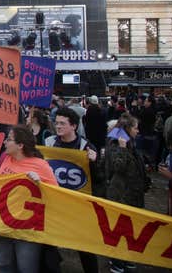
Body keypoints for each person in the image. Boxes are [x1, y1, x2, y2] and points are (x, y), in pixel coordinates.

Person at [0, 126, 58, 273]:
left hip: (27, 227)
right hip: (2, 223)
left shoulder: (41, 165)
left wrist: (40, 182)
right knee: (4, 265)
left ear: (20, 145)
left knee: (26, 268)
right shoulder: (5, 158)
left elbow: (57, 194)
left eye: (9, 139)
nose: (4, 142)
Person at [44, 107, 99, 273]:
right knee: (48, 242)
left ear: (74, 126)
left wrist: (95, 162)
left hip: (78, 205)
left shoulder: (86, 147)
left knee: (84, 245)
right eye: (56, 123)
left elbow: (98, 179)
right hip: (54, 203)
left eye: (62, 123)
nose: (58, 126)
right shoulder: (49, 143)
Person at [105, 113, 146, 273]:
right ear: (128, 129)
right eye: (136, 127)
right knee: (121, 230)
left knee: (131, 231)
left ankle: (126, 259)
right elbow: (117, 167)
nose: (138, 130)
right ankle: (117, 262)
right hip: (122, 195)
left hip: (132, 194)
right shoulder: (117, 144)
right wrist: (122, 149)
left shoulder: (131, 143)